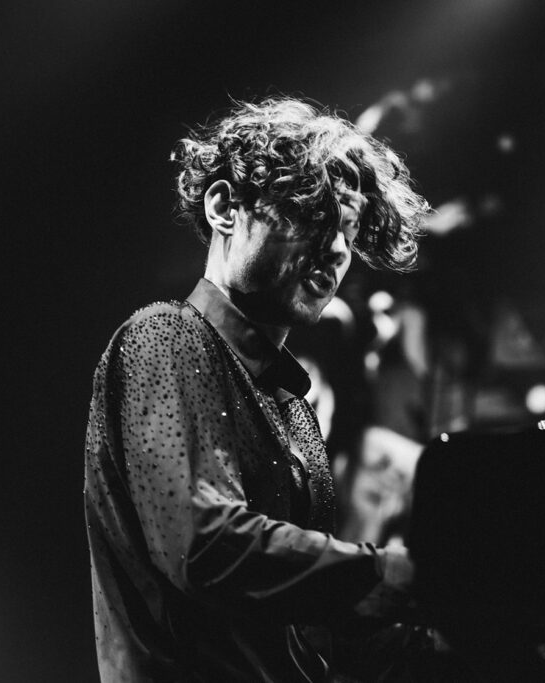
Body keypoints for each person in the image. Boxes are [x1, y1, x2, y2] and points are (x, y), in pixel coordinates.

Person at [83, 96, 430, 682]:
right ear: (224, 207)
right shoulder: (165, 336)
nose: (337, 249)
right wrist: (394, 575)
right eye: (314, 216)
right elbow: (203, 545)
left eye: (347, 233)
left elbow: (309, 634)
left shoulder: (294, 410)